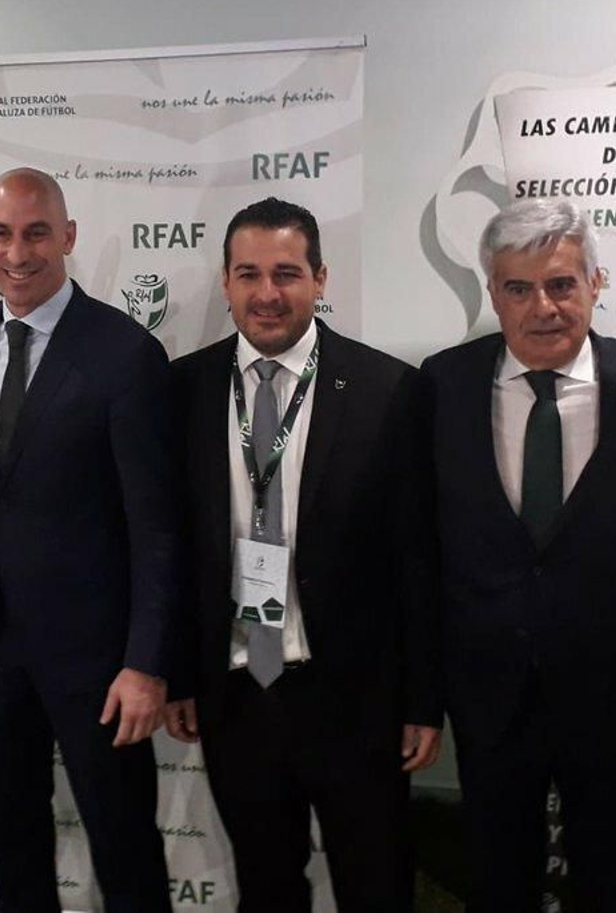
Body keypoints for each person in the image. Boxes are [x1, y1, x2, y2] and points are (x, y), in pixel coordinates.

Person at [418, 198, 616, 912]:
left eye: (562, 284)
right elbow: (413, 546)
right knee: (499, 882)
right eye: (519, 288)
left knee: (615, 883)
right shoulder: (441, 387)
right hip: (491, 696)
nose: (543, 308)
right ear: (492, 292)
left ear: (596, 284)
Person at [164, 197, 439, 912]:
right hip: (236, 692)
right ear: (224, 283)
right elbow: (171, 544)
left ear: (320, 278)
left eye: (286, 273)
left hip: (355, 698)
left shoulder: (389, 391)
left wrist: (422, 702)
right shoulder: (182, 390)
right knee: (266, 887)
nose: (266, 293)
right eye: (248, 274)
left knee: (376, 888)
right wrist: (176, 674)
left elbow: (417, 557)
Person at [0, 168, 185, 913]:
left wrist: (146, 664)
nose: (18, 253)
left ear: (68, 237)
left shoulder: (124, 353)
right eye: (2, 233)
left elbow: (157, 525)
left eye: (35, 233)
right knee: (13, 835)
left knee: (122, 843)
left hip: (98, 660)